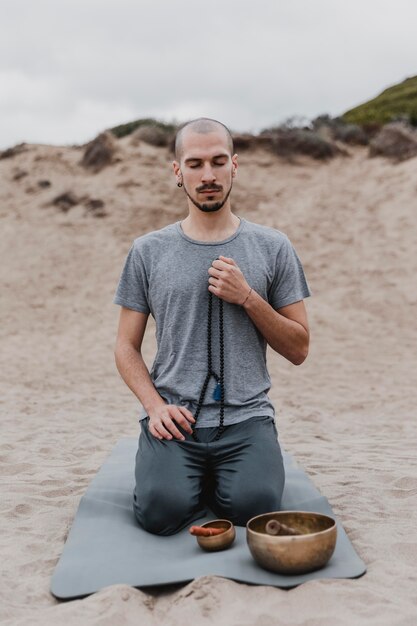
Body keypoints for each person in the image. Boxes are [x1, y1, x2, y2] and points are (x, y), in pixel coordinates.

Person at [113, 117, 312, 536]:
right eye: (195, 163)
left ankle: (225, 476)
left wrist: (248, 298)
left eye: (218, 162)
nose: (208, 175)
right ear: (177, 172)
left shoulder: (273, 246)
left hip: (246, 419)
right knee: (159, 513)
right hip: (175, 418)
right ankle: (183, 476)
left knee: (253, 507)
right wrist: (154, 407)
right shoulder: (148, 251)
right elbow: (125, 347)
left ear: (234, 167)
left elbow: (299, 348)